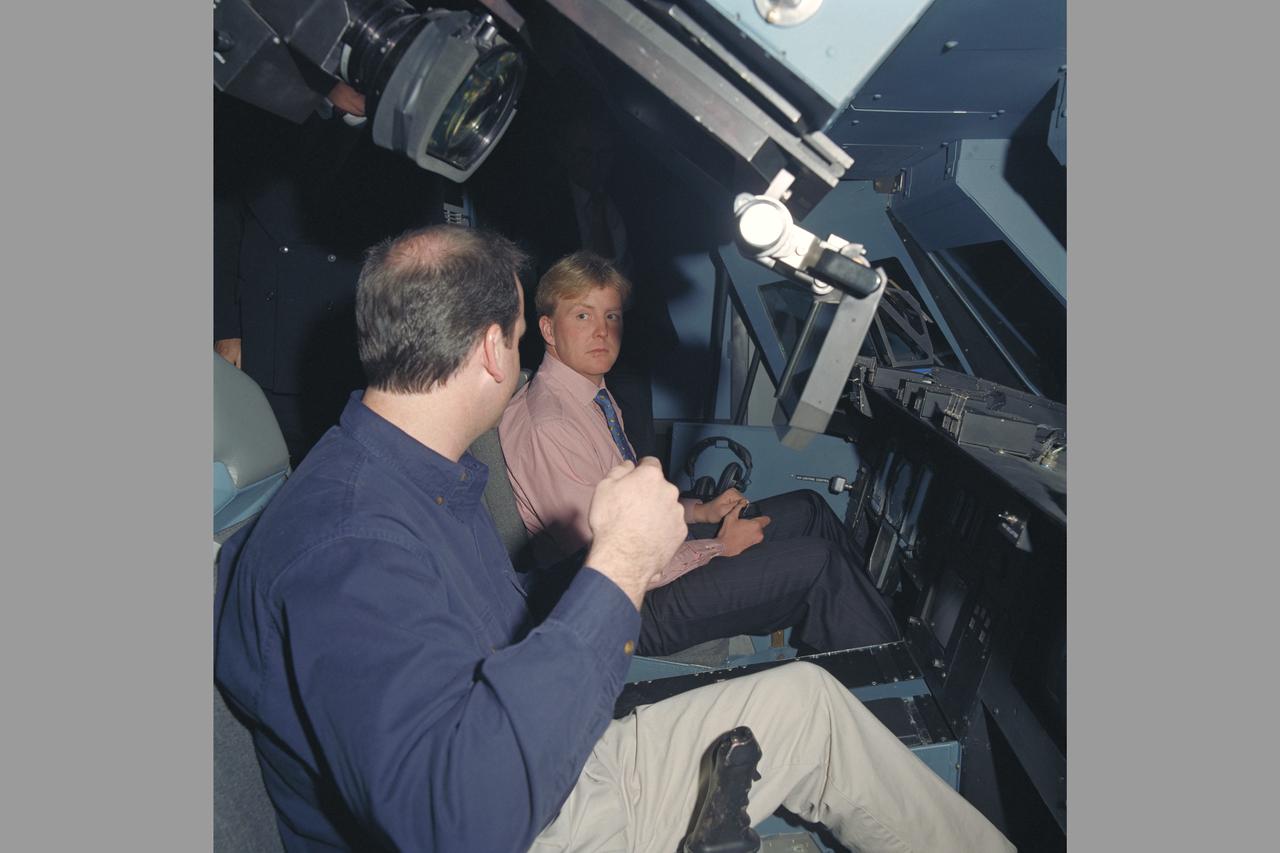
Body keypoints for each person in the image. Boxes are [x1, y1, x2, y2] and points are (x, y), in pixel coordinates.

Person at [214, 224, 1013, 852]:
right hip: (530, 823)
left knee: (808, 705)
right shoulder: (351, 539)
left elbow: (495, 625)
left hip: (535, 755)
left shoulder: (396, 476)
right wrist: (624, 560)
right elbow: (456, 824)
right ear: (496, 348)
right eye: (527, 334)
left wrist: (610, 563)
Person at [499, 251, 900, 657]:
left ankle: (875, 620)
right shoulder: (552, 423)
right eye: (583, 316)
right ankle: (889, 676)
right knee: (820, 563)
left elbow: (629, 508)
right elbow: (609, 561)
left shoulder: (589, 393)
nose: (601, 331)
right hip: (626, 606)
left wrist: (698, 512)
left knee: (810, 508)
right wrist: (718, 547)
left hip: (646, 561)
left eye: (612, 316)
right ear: (549, 329)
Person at [213, 84, 443, 466]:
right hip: (267, 342)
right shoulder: (263, 107)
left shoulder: (406, 137)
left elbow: (425, 249)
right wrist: (225, 327)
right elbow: (222, 228)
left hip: (354, 346)